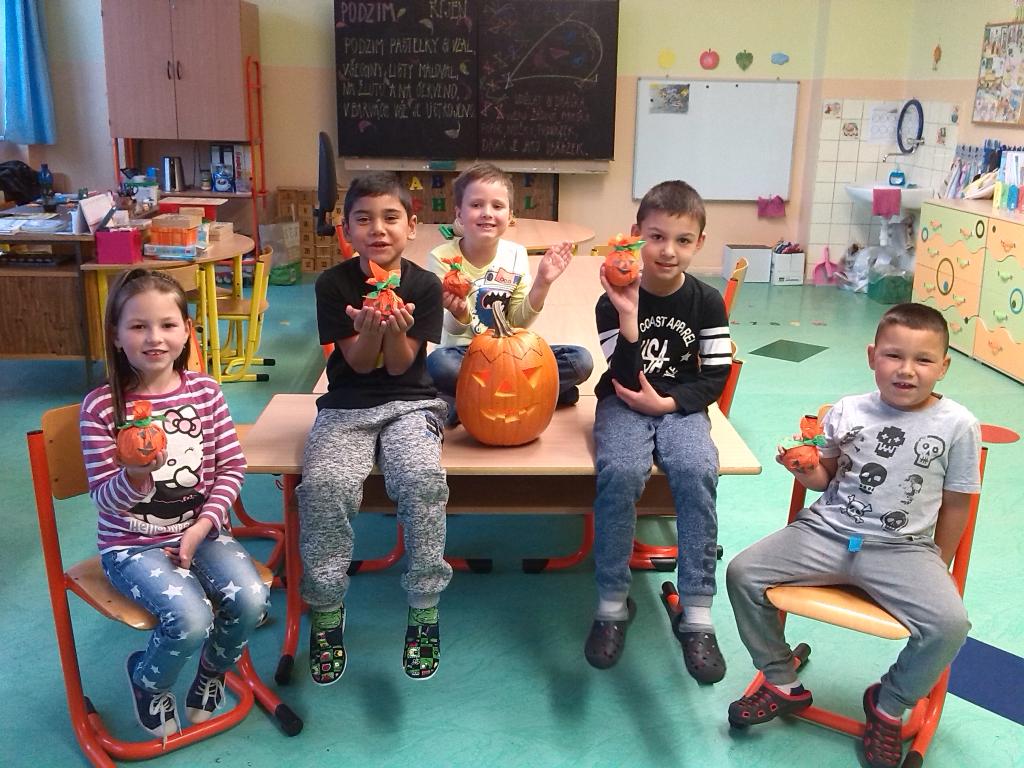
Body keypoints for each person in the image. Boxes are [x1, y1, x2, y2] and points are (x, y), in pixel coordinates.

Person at [726, 303, 981, 768]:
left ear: (943, 366)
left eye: (923, 360)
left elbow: (958, 502)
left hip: (903, 550)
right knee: (743, 573)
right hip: (826, 533)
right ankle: (782, 681)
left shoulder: (957, 425)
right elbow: (823, 479)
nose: (906, 370)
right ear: (871, 356)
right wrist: (804, 468)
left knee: (950, 625)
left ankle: (889, 703)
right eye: (893, 355)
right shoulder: (847, 410)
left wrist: (938, 562)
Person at [80, 269, 267, 740]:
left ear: (187, 331)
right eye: (138, 326)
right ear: (116, 335)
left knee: (251, 599)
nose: (154, 338)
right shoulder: (102, 408)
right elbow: (104, 499)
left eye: (167, 324)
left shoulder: (205, 392)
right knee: (191, 617)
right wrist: (135, 476)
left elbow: (231, 467)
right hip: (132, 546)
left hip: (203, 531)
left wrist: (203, 526)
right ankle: (148, 680)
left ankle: (212, 671)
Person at [299, 172, 452, 685]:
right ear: (347, 230)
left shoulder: (424, 286)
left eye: (390, 218)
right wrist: (368, 331)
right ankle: (326, 606)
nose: (378, 229)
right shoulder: (333, 285)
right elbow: (360, 366)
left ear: (412, 225)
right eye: (363, 219)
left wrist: (395, 332)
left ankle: (424, 604)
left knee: (422, 480)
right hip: (346, 404)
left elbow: (401, 366)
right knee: (324, 485)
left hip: (411, 404)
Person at [584, 180, 732, 683]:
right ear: (635, 236)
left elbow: (715, 376)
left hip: (680, 405)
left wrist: (668, 403)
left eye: (683, 240)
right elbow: (623, 376)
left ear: (699, 243)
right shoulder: (612, 299)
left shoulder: (706, 301)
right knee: (621, 471)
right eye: (657, 236)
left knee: (696, 469)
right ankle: (612, 603)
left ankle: (697, 612)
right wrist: (629, 316)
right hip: (623, 401)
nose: (668, 250)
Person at [425, 162, 593, 425]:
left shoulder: (516, 254)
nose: (487, 213)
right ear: (459, 213)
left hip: (510, 355)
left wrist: (543, 283)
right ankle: (534, 393)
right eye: (476, 205)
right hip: (463, 355)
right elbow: (448, 329)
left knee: (580, 360)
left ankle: (471, 400)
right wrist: (459, 312)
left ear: (510, 215)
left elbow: (518, 323)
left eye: (497, 206)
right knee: (437, 364)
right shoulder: (441, 258)